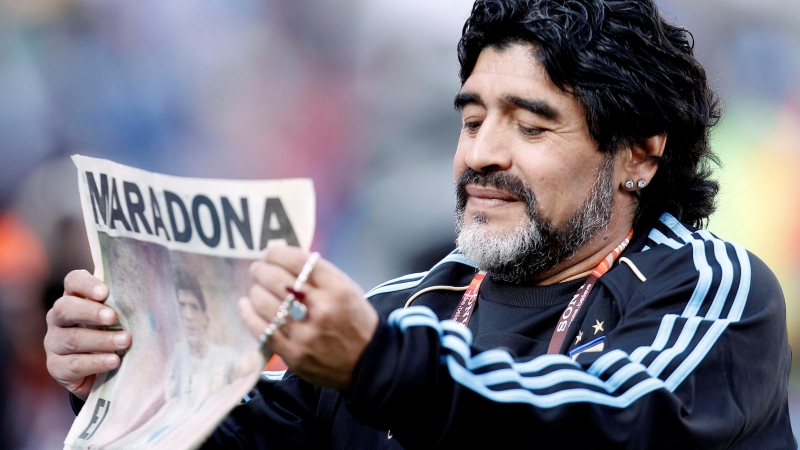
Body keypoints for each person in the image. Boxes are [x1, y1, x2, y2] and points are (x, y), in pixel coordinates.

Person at [45, 0, 796, 448]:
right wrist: (126, 373)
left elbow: (606, 423)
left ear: (638, 154)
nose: (483, 153)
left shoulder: (712, 291)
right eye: (472, 119)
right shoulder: (401, 310)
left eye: (531, 128)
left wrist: (380, 367)